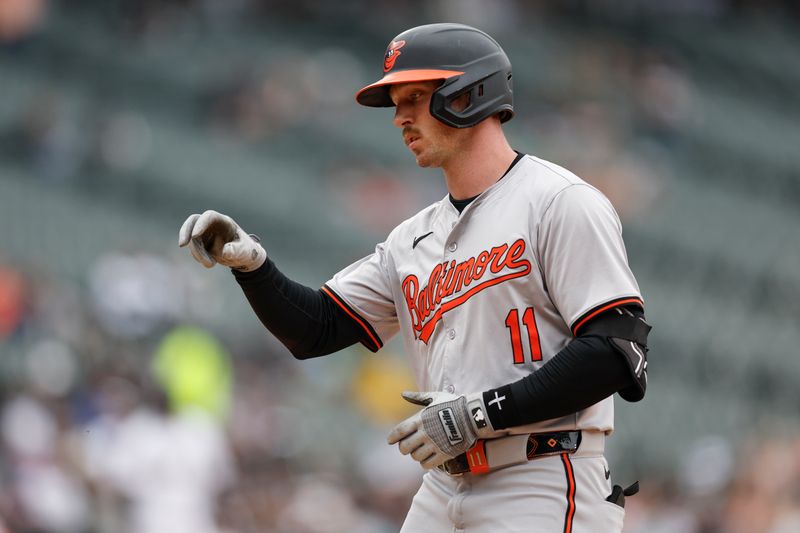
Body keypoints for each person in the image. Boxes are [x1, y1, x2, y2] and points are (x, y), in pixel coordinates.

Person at [179, 23, 651, 533]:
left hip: (543, 477)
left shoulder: (560, 201)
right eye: (397, 103)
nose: (400, 117)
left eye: (416, 97)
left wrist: (480, 414)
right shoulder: (412, 238)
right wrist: (254, 268)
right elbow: (316, 328)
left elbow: (617, 351)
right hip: (444, 483)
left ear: (470, 94)